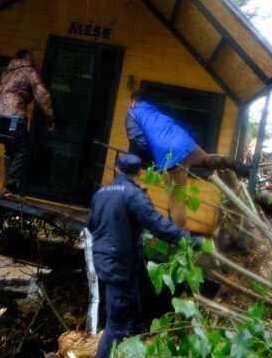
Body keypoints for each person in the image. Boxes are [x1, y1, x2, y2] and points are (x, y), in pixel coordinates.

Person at [88, 153, 202, 358]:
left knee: (133, 319)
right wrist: (189, 240)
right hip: (119, 265)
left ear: (116, 169)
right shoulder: (134, 195)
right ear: (139, 173)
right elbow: (158, 225)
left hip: (106, 260)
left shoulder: (101, 193)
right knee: (116, 324)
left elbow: (91, 224)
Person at [126, 90, 250, 227]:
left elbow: (135, 138)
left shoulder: (132, 113)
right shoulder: (154, 110)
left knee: (176, 199)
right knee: (207, 159)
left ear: (133, 102)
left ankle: (181, 238)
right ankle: (237, 165)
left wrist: (153, 151)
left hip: (168, 154)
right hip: (184, 141)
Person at [0, 50, 55, 197]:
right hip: (13, 116)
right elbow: (42, 95)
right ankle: (10, 187)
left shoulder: (7, 72)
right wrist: (50, 117)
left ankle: (6, 187)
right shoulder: (29, 71)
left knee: (11, 151)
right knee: (21, 150)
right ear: (27, 59)